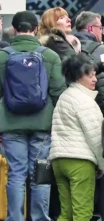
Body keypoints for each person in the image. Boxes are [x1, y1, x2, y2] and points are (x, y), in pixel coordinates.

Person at [0, 11, 66, 221]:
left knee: (16, 174)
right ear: (36, 29)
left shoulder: (2, 56)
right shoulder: (49, 56)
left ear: (14, 29)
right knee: (39, 174)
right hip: (42, 123)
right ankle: (40, 218)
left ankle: (15, 218)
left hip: (10, 123)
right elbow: (58, 92)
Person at [49, 54, 104, 221]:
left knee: (66, 214)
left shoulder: (64, 97)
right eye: (89, 74)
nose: (95, 79)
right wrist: (103, 164)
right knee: (82, 213)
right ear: (77, 76)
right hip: (80, 161)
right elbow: (96, 137)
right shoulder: (85, 101)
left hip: (58, 160)